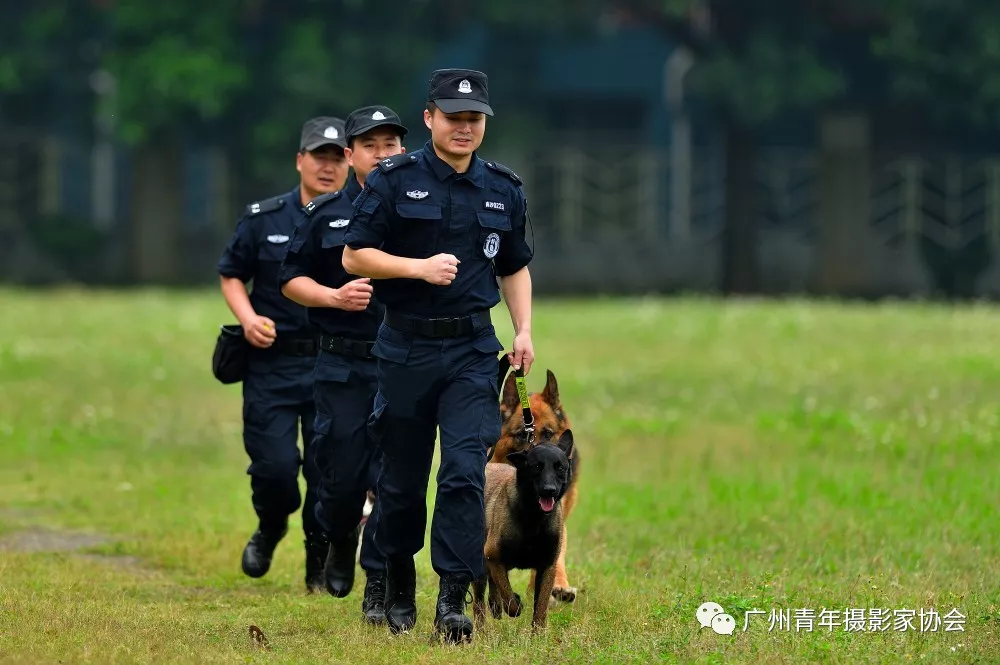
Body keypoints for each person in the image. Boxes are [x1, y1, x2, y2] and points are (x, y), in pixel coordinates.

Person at [341, 69, 535, 644]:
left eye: (474, 119)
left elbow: (514, 265)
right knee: (400, 479)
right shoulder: (394, 180)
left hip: (473, 349)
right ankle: (395, 580)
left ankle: (452, 599)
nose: (464, 128)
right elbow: (354, 257)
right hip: (404, 347)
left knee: (460, 474)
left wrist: (523, 330)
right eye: (453, 117)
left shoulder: (504, 188)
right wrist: (415, 268)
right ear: (429, 119)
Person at [278, 105, 408, 625]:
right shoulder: (325, 214)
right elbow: (291, 278)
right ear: (350, 154)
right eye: (370, 147)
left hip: (400, 362)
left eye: (391, 146)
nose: (382, 155)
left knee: (394, 478)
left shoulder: (419, 209)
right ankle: (338, 535)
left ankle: (377, 578)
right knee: (341, 477)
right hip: (342, 367)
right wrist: (332, 297)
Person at [217, 116, 350, 592]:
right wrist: (248, 317)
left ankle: (318, 564)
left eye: (338, 157)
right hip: (270, 364)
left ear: (350, 161)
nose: (329, 166)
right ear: (300, 160)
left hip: (329, 362)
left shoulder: (360, 219)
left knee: (325, 472)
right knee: (274, 468)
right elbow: (231, 272)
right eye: (320, 156)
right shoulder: (264, 219)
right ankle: (271, 526)